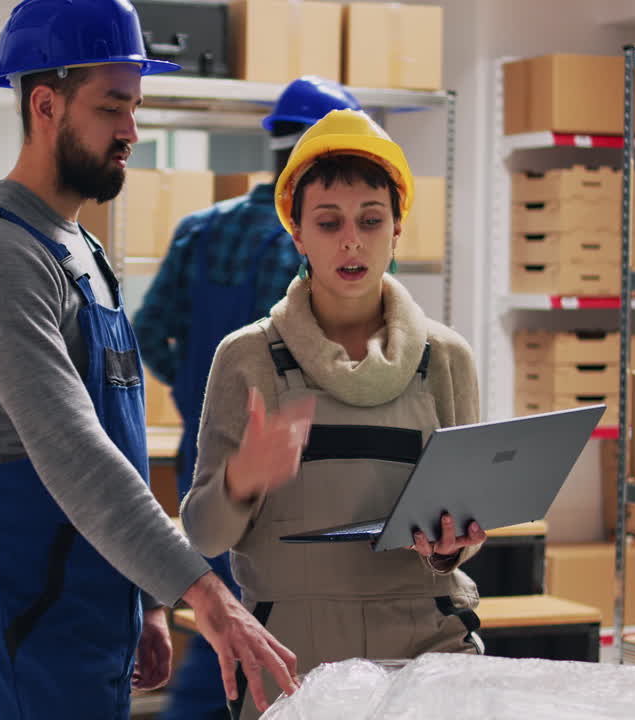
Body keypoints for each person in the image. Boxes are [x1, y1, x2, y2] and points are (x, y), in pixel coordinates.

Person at [0, 1, 298, 718]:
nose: (132, 131)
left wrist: (147, 596)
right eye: (112, 107)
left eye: (136, 107)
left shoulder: (79, 248)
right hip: (30, 607)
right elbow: (75, 455)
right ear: (45, 104)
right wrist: (204, 592)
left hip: (95, 594)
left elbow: (117, 447)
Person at [179, 109, 489, 719]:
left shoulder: (447, 358)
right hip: (294, 658)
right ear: (297, 233)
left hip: (428, 648)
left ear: (397, 229)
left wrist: (453, 548)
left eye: (371, 221)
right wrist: (243, 479)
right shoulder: (248, 359)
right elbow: (203, 535)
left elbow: (467, 522)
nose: (352, 240)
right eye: (329, 222)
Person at [132, 76, 360, 720]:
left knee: (221, 621)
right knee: (277, 640)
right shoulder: (321, 245)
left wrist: (189, 392)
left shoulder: (201, 229)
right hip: (294, 464)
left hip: (210, 456)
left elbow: (148, 329)